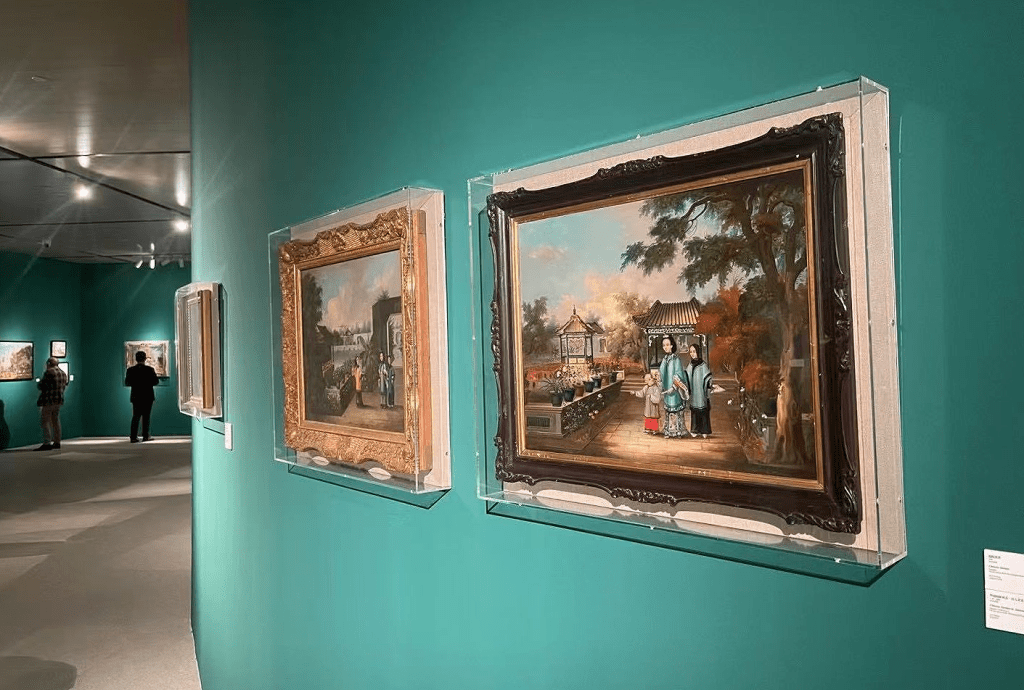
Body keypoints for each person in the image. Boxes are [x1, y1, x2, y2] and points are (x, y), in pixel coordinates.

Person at [659, 335, 690, 438]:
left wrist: (673, 387)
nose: (665, 347)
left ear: (672, 345)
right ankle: (668, 431)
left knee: (676, 410)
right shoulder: (664, 359)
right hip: (667, 390)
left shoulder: (676, 359)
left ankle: (678, 431)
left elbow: (679, 374)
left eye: (667, 345)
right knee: (668, 411)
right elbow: (661, 374)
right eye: (664, 345)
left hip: (675, 390)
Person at [35, 357, 69, 450]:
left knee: (45, 421)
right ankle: (57, 442)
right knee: (56, 420)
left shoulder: (49, 372)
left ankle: (47, 442)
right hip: (58, 400)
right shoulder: (63, 373)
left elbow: (41, 385)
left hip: (48, 400)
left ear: (49, 364)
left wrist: (39, 382)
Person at [125, 350, 158, 442]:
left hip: (136, 396)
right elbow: (156, 381)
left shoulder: (130, 370)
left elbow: (127, 382)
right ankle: (145, 436)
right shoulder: (150, 369)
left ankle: (133, 437)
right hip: (148, 396)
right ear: (145, 359)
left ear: (136, 359)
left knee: (136, 416)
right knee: (146, 417)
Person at [686, 341, 713, 437]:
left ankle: (704, 431)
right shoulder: (690, 365)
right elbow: (687, 376)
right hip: (694, 393)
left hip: (701, 392)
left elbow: (708, 377)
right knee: (694, 411)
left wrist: (709, 384)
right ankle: (695, 430)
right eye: (691, 352)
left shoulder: (703, 365)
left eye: (694, 351)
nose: (692, 354)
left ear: (698, 352)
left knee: (703, 410)